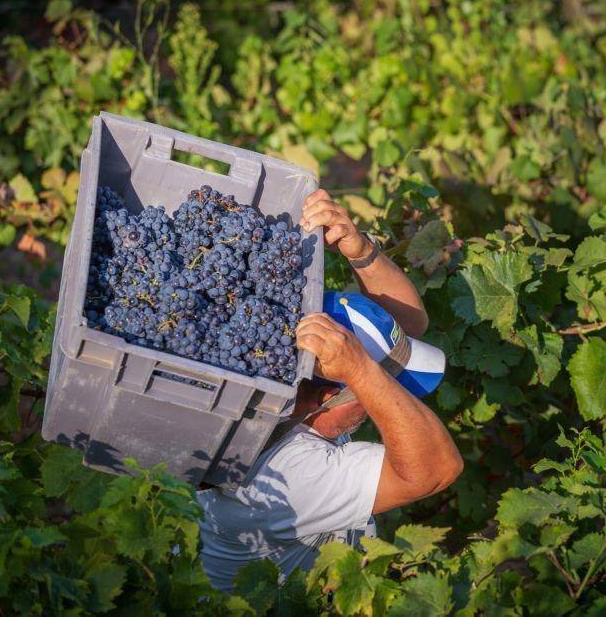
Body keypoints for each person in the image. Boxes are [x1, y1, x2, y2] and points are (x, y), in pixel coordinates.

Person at [196, 189, 463, 591]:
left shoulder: (289, 396)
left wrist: (360, 252)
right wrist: (361, 370)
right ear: (328, 397)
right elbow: (438, 470)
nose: (379, 399)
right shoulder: (290, 473)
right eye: (381, 384)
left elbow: (412, 326)